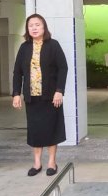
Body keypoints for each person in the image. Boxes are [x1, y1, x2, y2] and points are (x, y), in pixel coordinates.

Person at [12, 14, 67, 177]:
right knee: (35, 130)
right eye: (31, 26)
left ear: (44, 27)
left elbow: (63, 68)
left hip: (51, 96)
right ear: (27, 29)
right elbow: (17, 72)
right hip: (32, 97)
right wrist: (16, 93)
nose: (34, 28)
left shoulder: (53, 45)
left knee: (51, 129)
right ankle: (36, 163)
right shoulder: (24, 48)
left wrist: (59, 90)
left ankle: (52, 162)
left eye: (37, 25)